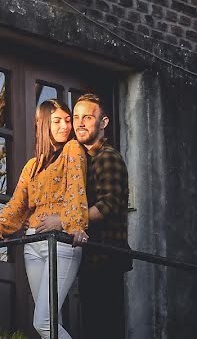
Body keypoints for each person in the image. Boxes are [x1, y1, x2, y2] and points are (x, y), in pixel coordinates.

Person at [0, 98, 89, 339]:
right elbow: (17, 204)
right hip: (32, 246)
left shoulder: (72, 150)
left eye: (67, 121)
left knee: (43, 322)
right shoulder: (32, 166)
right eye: (57, 121)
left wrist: (72, 224)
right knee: (50, 324)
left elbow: (77, 191)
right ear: (43, 125)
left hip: (62, 242)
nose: (65, 127)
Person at [71, 93, 130, 339]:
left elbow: (107, 205)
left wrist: (66, 222)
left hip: (106, 259)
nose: (80, 123)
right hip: (90, 260)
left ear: (103, 122)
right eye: (76, 117)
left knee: (105, 329)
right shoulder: (82, 160)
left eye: (88, 117)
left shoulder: (107, 157)